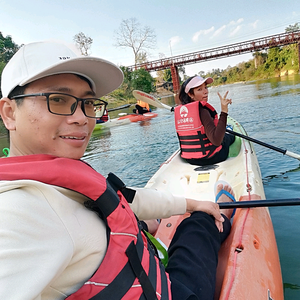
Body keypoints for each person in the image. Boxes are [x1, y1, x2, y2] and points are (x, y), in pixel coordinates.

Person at [0, 41, 235, 300]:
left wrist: (192, 202)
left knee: (157, 219)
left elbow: (122, 198)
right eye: (57, 99)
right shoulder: (18, 213)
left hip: (145, 275)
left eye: (88, 103)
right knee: (198, 227)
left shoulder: (55, 177)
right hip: (168, 293)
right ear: (9, 113)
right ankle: (217, 217)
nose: (81, 118)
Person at [174, 75, 235, 166]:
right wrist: (224, 111)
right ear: (190, 94)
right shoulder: (203, 111)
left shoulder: (180, 112)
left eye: (205, 88)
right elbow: (216, 140)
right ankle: (229, 131)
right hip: (213, 158)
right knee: (229, 137)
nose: (205, 92)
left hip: (191, 160)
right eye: (199, 89)